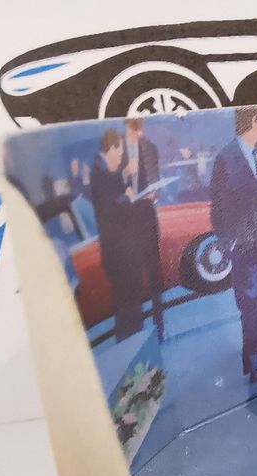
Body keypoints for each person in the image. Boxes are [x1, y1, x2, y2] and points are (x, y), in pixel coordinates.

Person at [210, 106, 257, 384]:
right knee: (249, 306)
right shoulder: (225, 158)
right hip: (244, 248)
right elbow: (217, 208)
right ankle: (252, 364)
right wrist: (229, 242)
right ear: (253, 120)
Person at [91, 129, 144, 341]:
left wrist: (123, 178)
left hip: (117, 252)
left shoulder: (102, 169)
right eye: (120, 152)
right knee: (128, 305)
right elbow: (107, 209)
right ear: (111, 148)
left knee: (126, 304)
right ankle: (132, 344)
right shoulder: (99, 171)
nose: (121, 157)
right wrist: (127, 198)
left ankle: (131, 341)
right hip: (119, 254)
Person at [123, 117, 165, 340]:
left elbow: (156, 177)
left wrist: (154, 193)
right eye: (135, 128)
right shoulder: (116, 150)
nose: (139, 133)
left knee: (154, 274)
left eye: (141, 127)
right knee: (134, 278)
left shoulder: (150, 147)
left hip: (148, 215)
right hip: (128, 220)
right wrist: (124, 179)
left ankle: (159, 326)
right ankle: (137, 331)